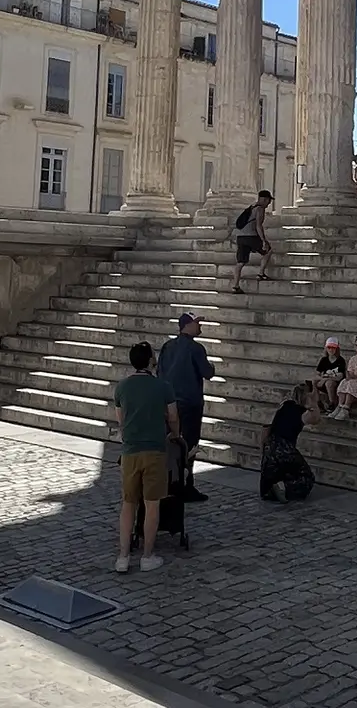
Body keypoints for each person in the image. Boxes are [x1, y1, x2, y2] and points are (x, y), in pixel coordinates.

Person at [113, 341, 179, 573]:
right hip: (154, 450)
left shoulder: (122, 387)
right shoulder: (163, 386)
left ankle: (123, 556)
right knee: (152, 505)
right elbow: (172, 415)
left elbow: (120, 419)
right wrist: (175, 434)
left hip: (130, 451)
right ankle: (147, 555)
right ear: (151, 360)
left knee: (128, 503)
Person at [157, 313, 215, 503]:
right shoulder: (196, 349)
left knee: (170, 443)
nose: (200, 327)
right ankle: (186, 485)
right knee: (189, 445)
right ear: (187, 325)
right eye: (197, 323)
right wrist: (211, 366)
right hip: (190, 403)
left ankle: (168, 483)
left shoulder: (167, 347)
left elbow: (160, 372)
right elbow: (207, 373)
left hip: (170, 403)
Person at [259, 381, 320, 503]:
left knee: (272, 478)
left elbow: (266, 428)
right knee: (307, 477)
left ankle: (272, 488)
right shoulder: (302, 413)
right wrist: (314, 402)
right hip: (284, 447)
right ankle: (284, 487)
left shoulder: (284, 406)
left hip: (270, 445)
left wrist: (263, 451)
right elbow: (317, 419)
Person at [229, 190, 274, 295]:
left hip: (240, 237)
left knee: (240, 262)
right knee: (268, 251)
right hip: (251, 236)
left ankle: (235, 286)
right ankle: (261, 273)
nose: (269, 203)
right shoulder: (260, 209)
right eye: (268, 200)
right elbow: (258, 225)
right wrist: (264, 240)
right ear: (264, 199)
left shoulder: (251, 207)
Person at [312, 336, 346, 412]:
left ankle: (332, 403)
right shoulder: (324, 360)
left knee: (329, 383)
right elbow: (317, 373)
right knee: (314, 380)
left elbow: (340, 376)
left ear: (337, 349)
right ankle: (318, 402)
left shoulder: (340, 360)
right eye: (329, 347)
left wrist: (325, 379)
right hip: (324, 380)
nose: (331, 350)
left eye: (333, 348)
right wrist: (322, 379)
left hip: (336, 382)